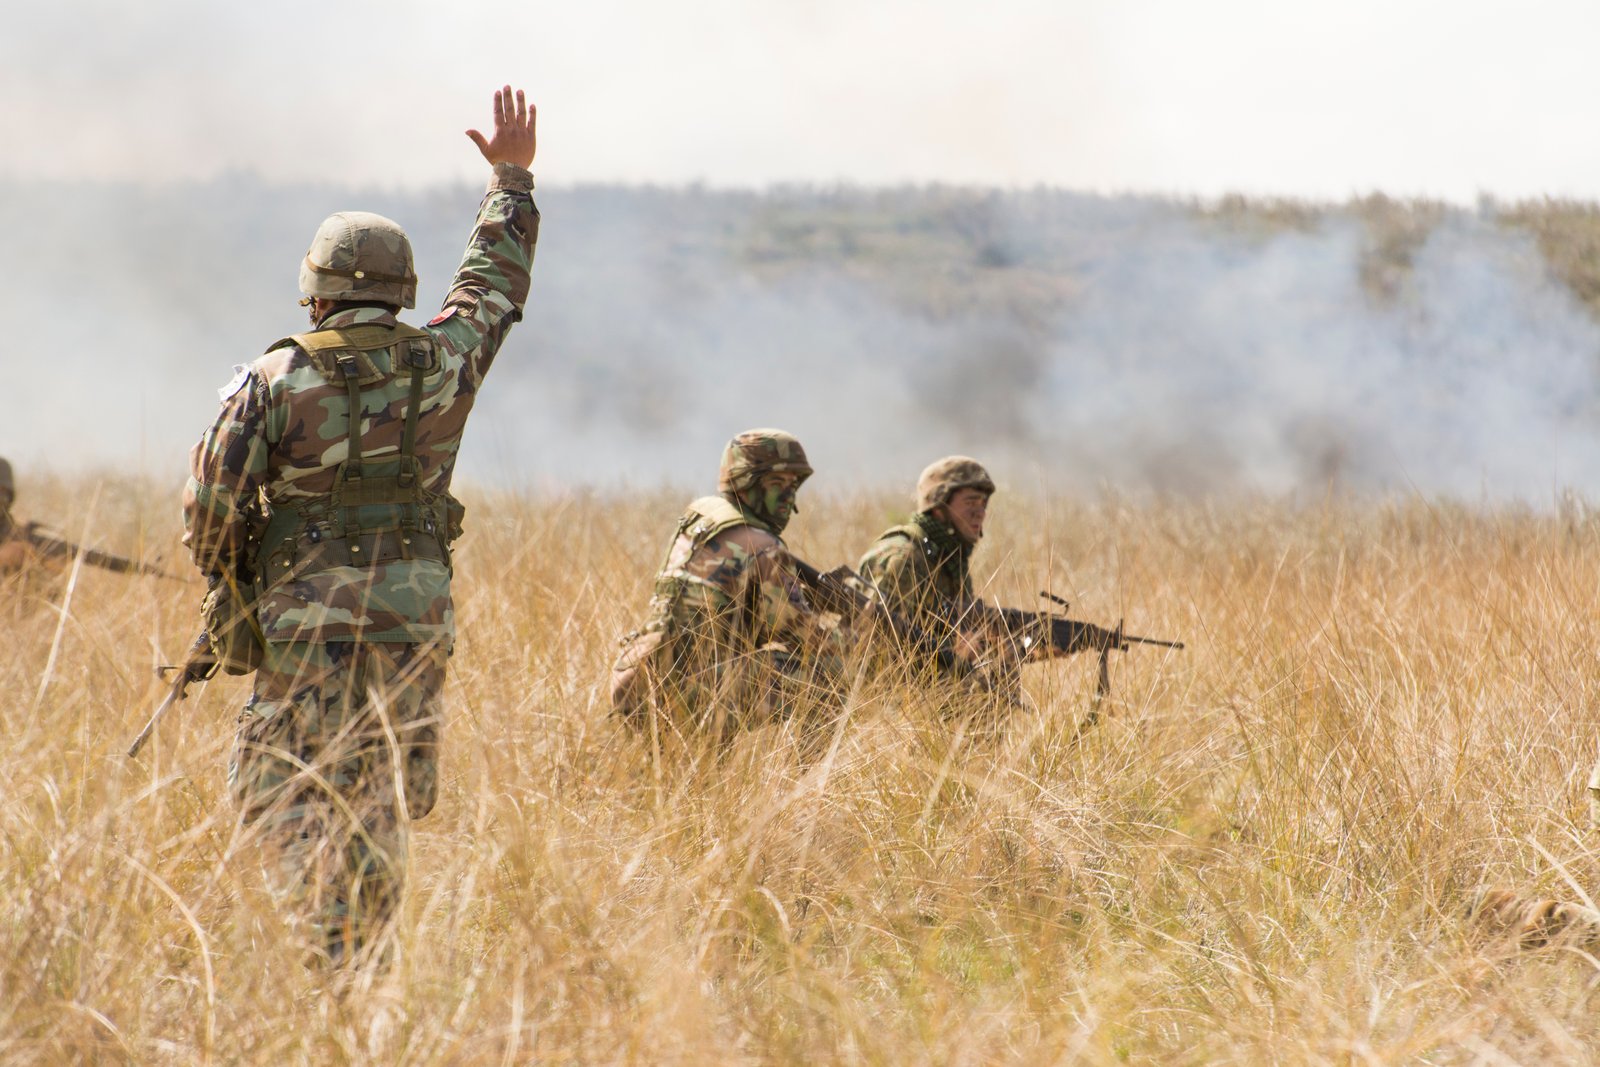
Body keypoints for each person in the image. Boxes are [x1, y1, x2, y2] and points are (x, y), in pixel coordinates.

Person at [181, 86, 539, 967]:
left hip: (304, 625)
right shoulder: (446, 360)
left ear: (316, 293)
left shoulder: (273, 379)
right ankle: (365, 966)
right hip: (414, 624)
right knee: (380, 799)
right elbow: (491, 286)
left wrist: (236, 581)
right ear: (401, 289)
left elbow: (210, 509)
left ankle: (315, 966)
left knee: (288, 797)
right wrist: (511, 180)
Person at [610, 429, 849, 745]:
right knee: (830, 674)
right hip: (687, 691)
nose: (788, 497)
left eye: (793, 486)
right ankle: (809, 777)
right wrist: (856, 638)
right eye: (776, 483)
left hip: (638, 679)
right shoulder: (762, 547)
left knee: (691, 772)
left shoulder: (701, 519)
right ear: (745, 483)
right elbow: (809, 640)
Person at [0, 455, 163, 575]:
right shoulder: (12, 544)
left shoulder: (19, 536)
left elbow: (40, 602)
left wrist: (44, 570)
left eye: (3, 494)